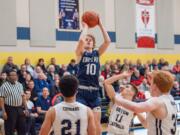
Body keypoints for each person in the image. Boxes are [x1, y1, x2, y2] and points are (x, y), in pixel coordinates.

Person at [75, 15, 111, 134]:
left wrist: (100, 24)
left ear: (93, 44)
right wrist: (85, 27)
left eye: (91, 40)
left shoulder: (96, 54)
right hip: (82, 92)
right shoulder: (80, 54)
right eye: (87, 39)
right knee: (83, 123)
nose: (88, 40)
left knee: (97, 124)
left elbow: (108, 41)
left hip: (94, 93)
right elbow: (81, 40)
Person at [113, 71, 177, 135]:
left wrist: (118, 98)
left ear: (154, 86)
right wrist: (137, 113)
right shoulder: (170, 99)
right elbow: (147, 125)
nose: (149, 86)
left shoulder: (157, 101)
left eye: (150, 84)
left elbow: (136, 108)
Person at [0, 69, 28, 135]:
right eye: (12, 75)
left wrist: (26, 108)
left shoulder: (20, 85)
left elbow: (23, 97)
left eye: (15, 75)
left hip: (19, 108)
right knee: (10, 129)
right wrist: (4, 112)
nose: (14, 76)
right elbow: (1, 99)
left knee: (22, 127)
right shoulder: (4, 86)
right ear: (8, 77)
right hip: (9, 109)